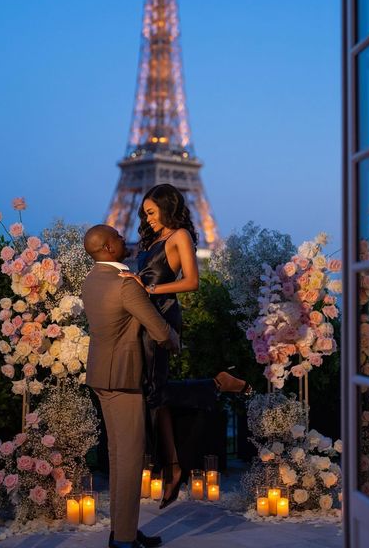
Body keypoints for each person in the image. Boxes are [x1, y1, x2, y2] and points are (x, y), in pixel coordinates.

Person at [118, 183, 251, 509]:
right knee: (154, 390)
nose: (146, 218)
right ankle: (173, 467)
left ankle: (217, 383)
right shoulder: (152, 240)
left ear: (166, 207)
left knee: (152, 391)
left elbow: (192, 281)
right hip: (146, 314)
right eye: (144, 213)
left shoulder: (180, 236)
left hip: (163, 315)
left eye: (151, 212)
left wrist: (149, 288)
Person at [81, 224, 180, 548]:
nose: (125, 240)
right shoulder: (125, 285)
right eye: (119, 238)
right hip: (123, 378)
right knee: (130, 458)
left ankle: (121, 530)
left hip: (101, 375)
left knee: (118, 455)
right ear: (109, 247)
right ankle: (123, 539)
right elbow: (160, 331)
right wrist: (176, 341)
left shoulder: (92, 280)